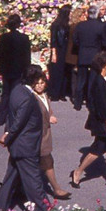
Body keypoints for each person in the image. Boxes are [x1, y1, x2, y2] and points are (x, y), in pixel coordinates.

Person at [0, 65, 49, 211]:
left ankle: (0, 209)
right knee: (34, 180)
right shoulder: (28, 98)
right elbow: (19, 122)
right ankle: (44, 210)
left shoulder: (17, 90)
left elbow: (10, 116)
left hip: (17, 146)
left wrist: (7, 134)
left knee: (10, 179)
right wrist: (7, 137)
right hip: (26, 146)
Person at [71, 50, 106, 188]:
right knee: (98, 148)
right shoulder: (98, 81)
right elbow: (99, 104)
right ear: (103, 65)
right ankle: (78, 171)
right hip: (104, 120)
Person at [31, 72, 70, 200]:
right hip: (39, 136)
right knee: (47, 161)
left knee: (36, 163)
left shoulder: (45, 96)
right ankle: (56, 189)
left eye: (42, 83)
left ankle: (16, 187)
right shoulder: (32, 98)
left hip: (46, 134)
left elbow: (47, 110)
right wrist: (48, 119)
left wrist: (51, 115)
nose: (39, 86)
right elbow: (34, 116)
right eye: (37, 83)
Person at [0, 14, 32, 127]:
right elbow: (27, 56)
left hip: (7, 69)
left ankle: (1, 117)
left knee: (6, 93)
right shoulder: (24, 38)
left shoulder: (3, 37)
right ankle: (14, 117)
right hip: (19, 69)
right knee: (16, 94)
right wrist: (26, 70)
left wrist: (0, 69)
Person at [71, 5, 104, 111]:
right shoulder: (100, 26)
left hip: (83, 54)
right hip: (95, 55)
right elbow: (104, 41)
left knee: (81, 80)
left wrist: (81, 46)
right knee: (92, 80)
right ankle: (90, 102)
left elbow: (75, 40)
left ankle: (78, 102)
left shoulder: (80, 26)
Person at [48, 6, 72, 102]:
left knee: (64, 72)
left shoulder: (67, 24)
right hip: (58, 49)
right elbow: (53, 39)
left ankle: (62, 93)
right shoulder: (56, 25)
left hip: (65, 49)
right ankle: (54, 93)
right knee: (57, 72)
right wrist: (54, 53)